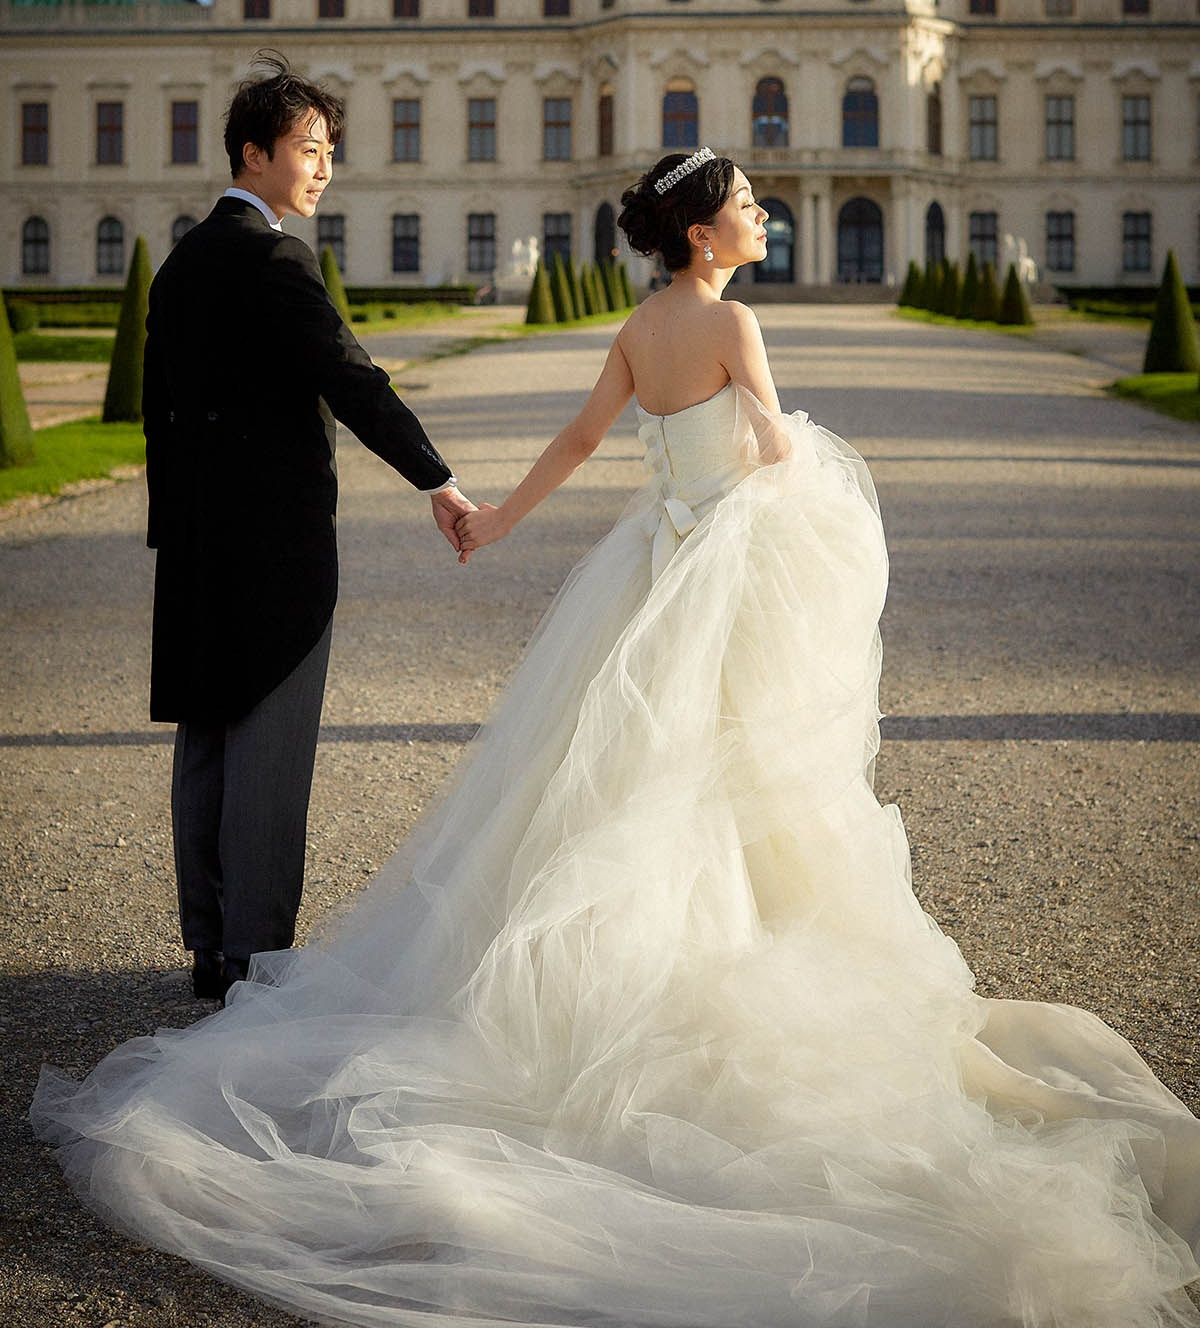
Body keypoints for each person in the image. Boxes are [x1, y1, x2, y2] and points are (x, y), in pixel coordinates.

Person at [32, 149, 1200, 1327]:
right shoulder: (734, 330)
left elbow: (585, 443)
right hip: (730, 573)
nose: (763, 217)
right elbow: (780, 462)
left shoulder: (641, 327)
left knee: (614, 780)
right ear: (701, 234)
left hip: (650, 573)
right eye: (746, 206)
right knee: (752, 777)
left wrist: (492, 521)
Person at [140, 51, 472, 1004]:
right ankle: (257, 958)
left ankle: (209, 946)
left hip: (197, 544)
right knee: (269, 752)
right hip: (273, 548)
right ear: (254, 154)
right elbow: (350, 375)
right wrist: (435, 479)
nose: (324, 167)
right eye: (309, 149)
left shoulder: (180, 263)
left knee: (207, 739)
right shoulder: (276, 256)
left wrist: (177, 528)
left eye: (330, 151)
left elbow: (157, 415)